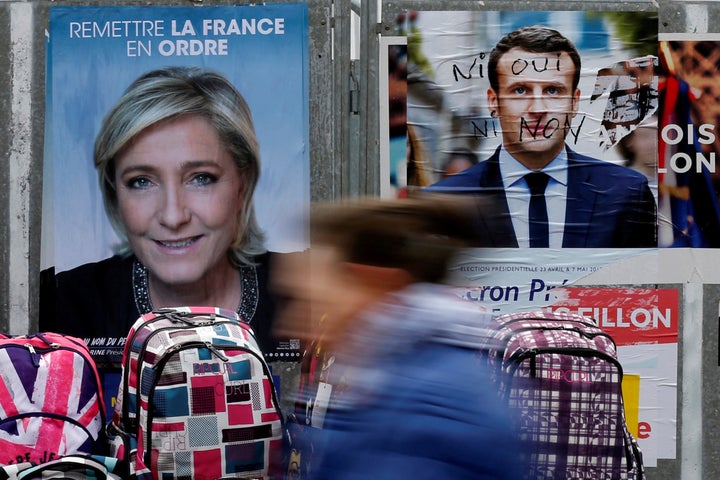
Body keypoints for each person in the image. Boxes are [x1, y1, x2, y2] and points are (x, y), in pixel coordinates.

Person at [40, 66, 281, 392]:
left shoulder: (305, 291)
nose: (172, 215)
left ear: (243, 183)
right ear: (114, 194)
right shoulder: (59, 302)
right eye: (141, 181)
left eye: (201, 178)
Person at [273, 195, 524, 480]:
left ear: (369, 280)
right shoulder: (388, 376)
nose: (287, 325)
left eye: (306, 301)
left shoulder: (430, 405)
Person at [426, 25, 657, 248]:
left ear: (575, 102)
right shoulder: (446, 200)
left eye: (553, 91)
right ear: (493, 101)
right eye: (520, 90)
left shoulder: (626, 193)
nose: (537, 108)